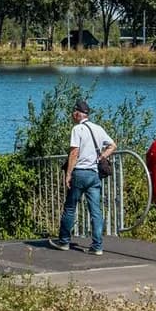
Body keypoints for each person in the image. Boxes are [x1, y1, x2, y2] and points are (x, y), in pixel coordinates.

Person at [48, 99, 115, 255]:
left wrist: (68, 174)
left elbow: (74, 153)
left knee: (70, 208)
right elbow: (113, 145)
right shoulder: (98, 129)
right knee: (95, 211)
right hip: (94, 175)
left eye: (74, 111)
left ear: (78, 113)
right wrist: (102, 157)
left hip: (79, 173)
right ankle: (97, 246)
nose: (72, 114)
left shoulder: (77, 129)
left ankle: (64, 241)